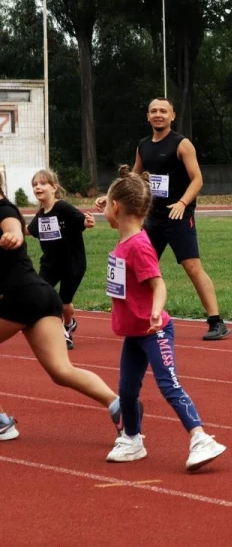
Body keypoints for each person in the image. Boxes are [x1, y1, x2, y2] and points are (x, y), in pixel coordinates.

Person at [101, 166, 227, 470]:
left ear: (116, 208)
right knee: (128, 391)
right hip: (134, 332)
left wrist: (156, 312)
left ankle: (200, 437)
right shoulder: (125, 241)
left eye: (105, 203)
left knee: (168, 384)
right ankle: (132, 439)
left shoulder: (139, 246)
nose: (103, 208)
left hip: (154, 330)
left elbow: (158, 284)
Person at [0, 172, 128, 443]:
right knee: (61, 371)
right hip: (42, 296)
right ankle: (119, 406)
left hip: (20, 297)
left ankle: (1, 422)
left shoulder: (3, 209)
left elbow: (12, 226)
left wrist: (13, 236)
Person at [96, 98, 230, 341]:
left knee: (192, 266)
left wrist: (182, 203)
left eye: (163, 111)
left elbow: (197, 179)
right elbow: (133, 180)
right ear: (147, 116)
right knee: (137, 269)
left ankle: (216, 321)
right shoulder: (143, 146)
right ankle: (138, 318)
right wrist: (109, 196)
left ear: (172, 116)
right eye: (154, 111)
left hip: (178, 216)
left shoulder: (182, 144)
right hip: (150, 219)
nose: (158, 115)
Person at [26, 169, 96, 350]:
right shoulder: (41, 214)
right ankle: (59, 329)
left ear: (54, 188)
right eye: (34, 185)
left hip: (72, 263)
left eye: (42, 183)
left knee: (64, 303)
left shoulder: (62, 207)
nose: (37, 187)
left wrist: (87, 222)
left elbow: (81, 221)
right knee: (42, 295)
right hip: (50, 264)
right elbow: (28, 230)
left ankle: (68, 324)